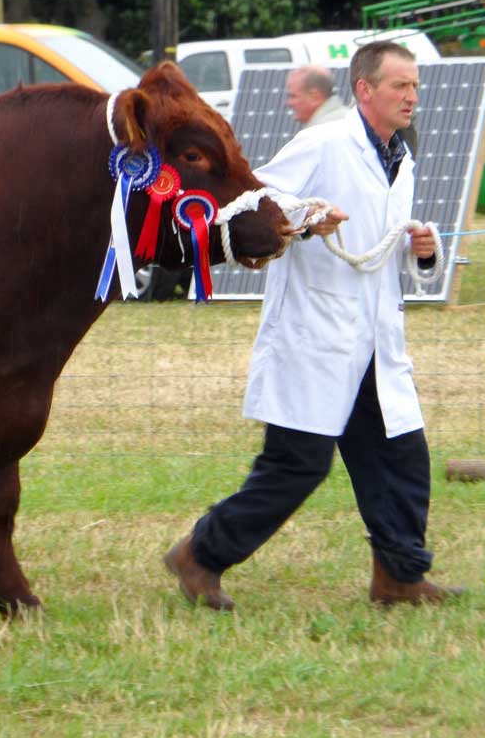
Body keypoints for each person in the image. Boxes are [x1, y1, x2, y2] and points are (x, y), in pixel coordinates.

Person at [164, 40, 462, 609]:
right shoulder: (324, 143)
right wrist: (307, 216)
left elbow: (381, 248)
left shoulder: (401, 157)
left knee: (403, 455)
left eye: (416, 86)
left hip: (374, 343)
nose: (412, 96)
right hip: (317, 337)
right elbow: (256, 198)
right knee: (297, 467)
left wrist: (421, 250)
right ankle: (198, 555)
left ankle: (399, 578)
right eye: (401, 85)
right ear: (365, 90)